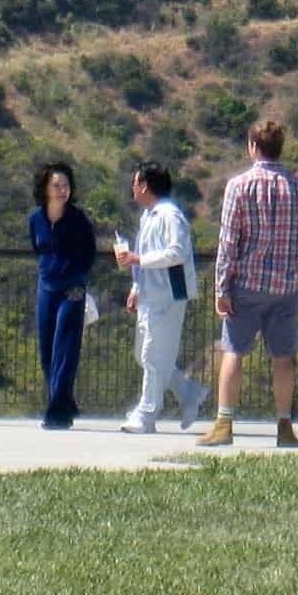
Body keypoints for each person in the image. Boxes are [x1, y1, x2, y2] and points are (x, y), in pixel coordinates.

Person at [199, 120, 298, 449]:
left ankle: (224, 423)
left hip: (247, 284)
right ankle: (284, 425)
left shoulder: (239, 186)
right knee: (283, 357)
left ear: (253, 146)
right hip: (287, 287)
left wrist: (222, 288)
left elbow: (228, 241)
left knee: (234, 350)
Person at [115, 161, 208, 433]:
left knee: (154, 354)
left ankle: (147, 414)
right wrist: (135, 288)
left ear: (144, 185)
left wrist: (139, 260)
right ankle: (189, 392)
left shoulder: (170, 215)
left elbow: (177, 252)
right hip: (149, 294)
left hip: (169, 294)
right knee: (144, 354)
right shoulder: (149, 215)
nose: (132, 188)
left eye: (135, 182)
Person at [29, 161, 96, 430]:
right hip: (47, 288)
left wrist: (77, 279)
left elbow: (89, 253)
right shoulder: (35, 218)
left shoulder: (78, 219)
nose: (62, 190)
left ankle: (57, 411)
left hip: (72, 289)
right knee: (47, 351)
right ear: (45, 188)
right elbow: (38, 248)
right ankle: (64, 402)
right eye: (56, 185)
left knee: (65, 349)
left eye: (66, 185)